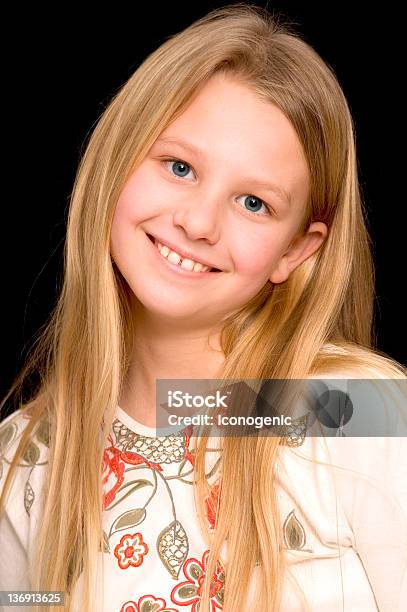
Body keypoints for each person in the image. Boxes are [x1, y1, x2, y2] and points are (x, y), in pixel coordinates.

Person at [1, 4, 406, 611]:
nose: (196, 222)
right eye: (180, 167)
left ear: (295, 250)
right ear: (117, 162)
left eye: (253, 203)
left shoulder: (355, 414)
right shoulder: (25, 459)